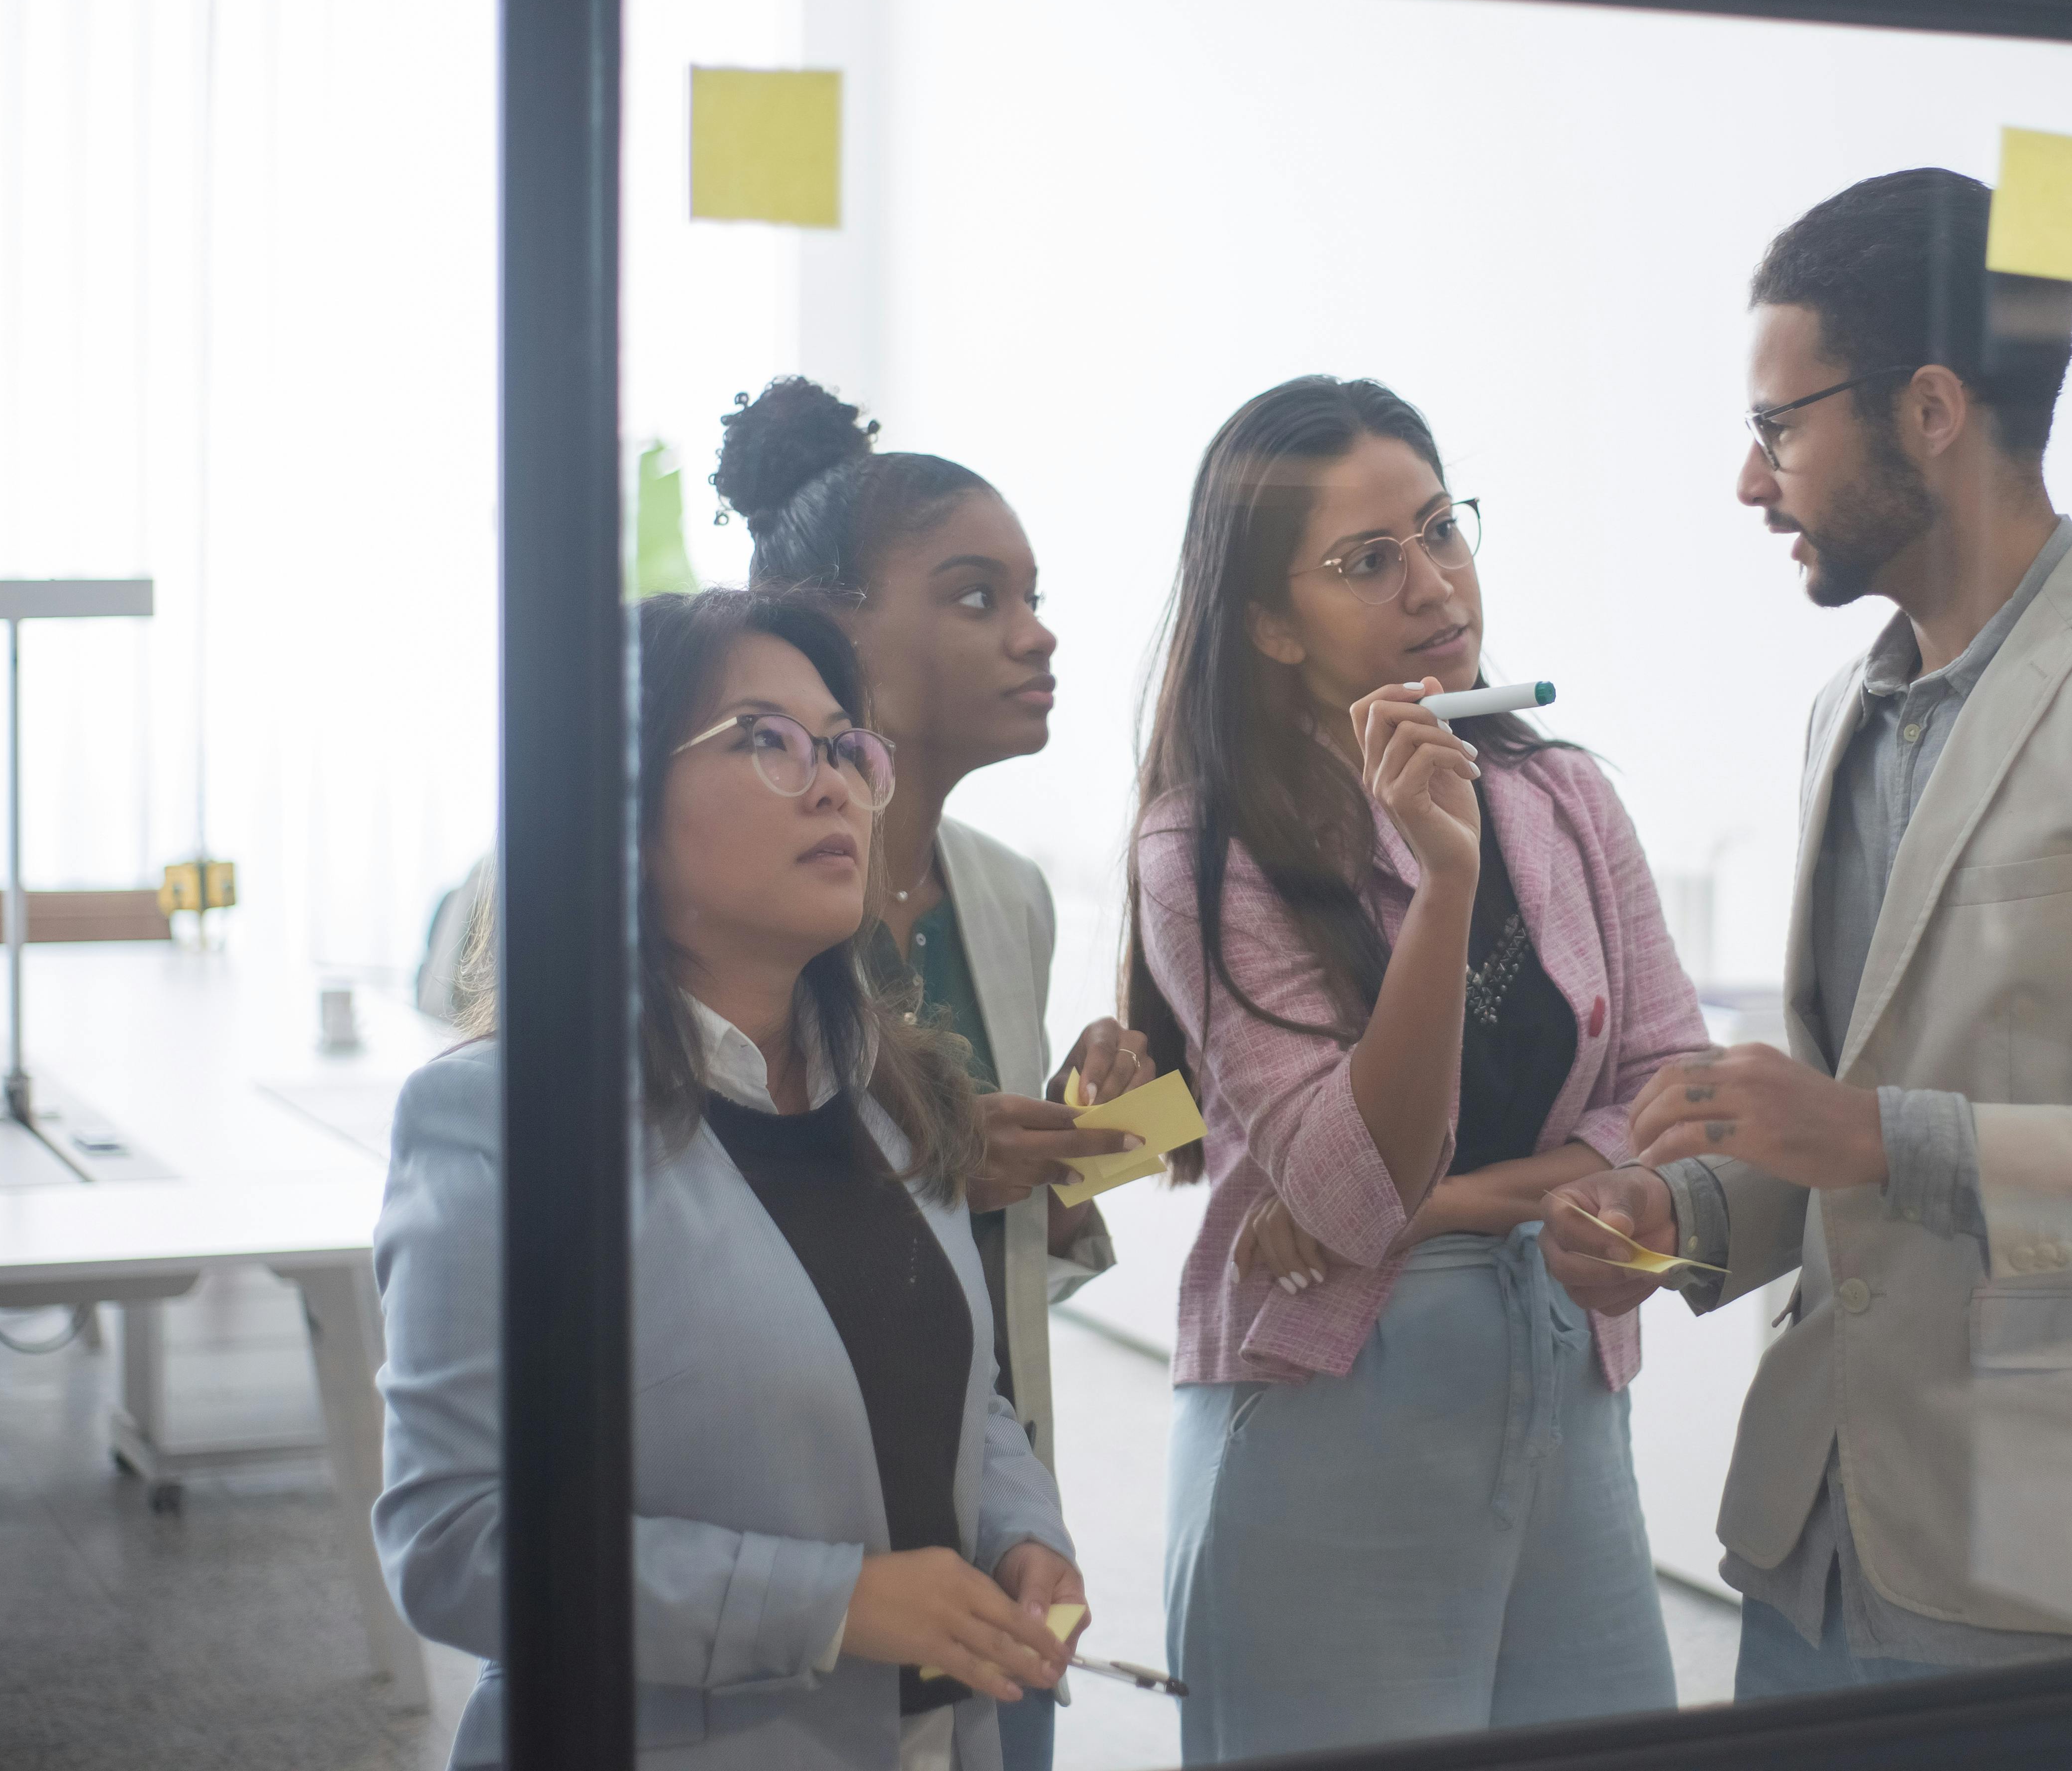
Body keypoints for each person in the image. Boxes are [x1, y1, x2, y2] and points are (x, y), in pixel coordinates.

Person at [1542, 168, 2072, 1691]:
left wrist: (1882, 1136)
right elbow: (1831, 1131)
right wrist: (1685, 1227)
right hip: (1813, 1553)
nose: (1750, 482)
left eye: (1779, 427)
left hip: (2065, 1585)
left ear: (1930, 409)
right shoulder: (1836, 715)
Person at [376, 588, 1086, 1769]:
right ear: (622, 805)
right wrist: (829, 1603)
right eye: (766, 740)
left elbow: (958, 1397)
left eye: (846, 748)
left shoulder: (888, 1091)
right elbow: (453, 1542)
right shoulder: (499, 1120)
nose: (832, 785)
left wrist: (1024, 1533)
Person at [1127, 376, 1705, 1762]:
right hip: (1329, 1410)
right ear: (1268, 622)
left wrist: (1455, 1202)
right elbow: (1346, 1193)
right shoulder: (1207, 847)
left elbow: (1681, 1092)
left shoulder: (1565, 794)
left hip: (1565, 1377)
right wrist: (1443, 881)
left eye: (1443, 530)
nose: (1433, 582)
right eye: (1367, 561)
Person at [712, 378, 1149, 1771]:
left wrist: (1089, 1153)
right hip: (784, 1549)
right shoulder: (733, 912)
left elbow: (1006, 1267)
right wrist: (944, 1159)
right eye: (975, 599)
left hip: (994, 1514)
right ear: (833, 631)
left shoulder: (1007, 900)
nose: (1038, 635)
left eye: (1032, 594)